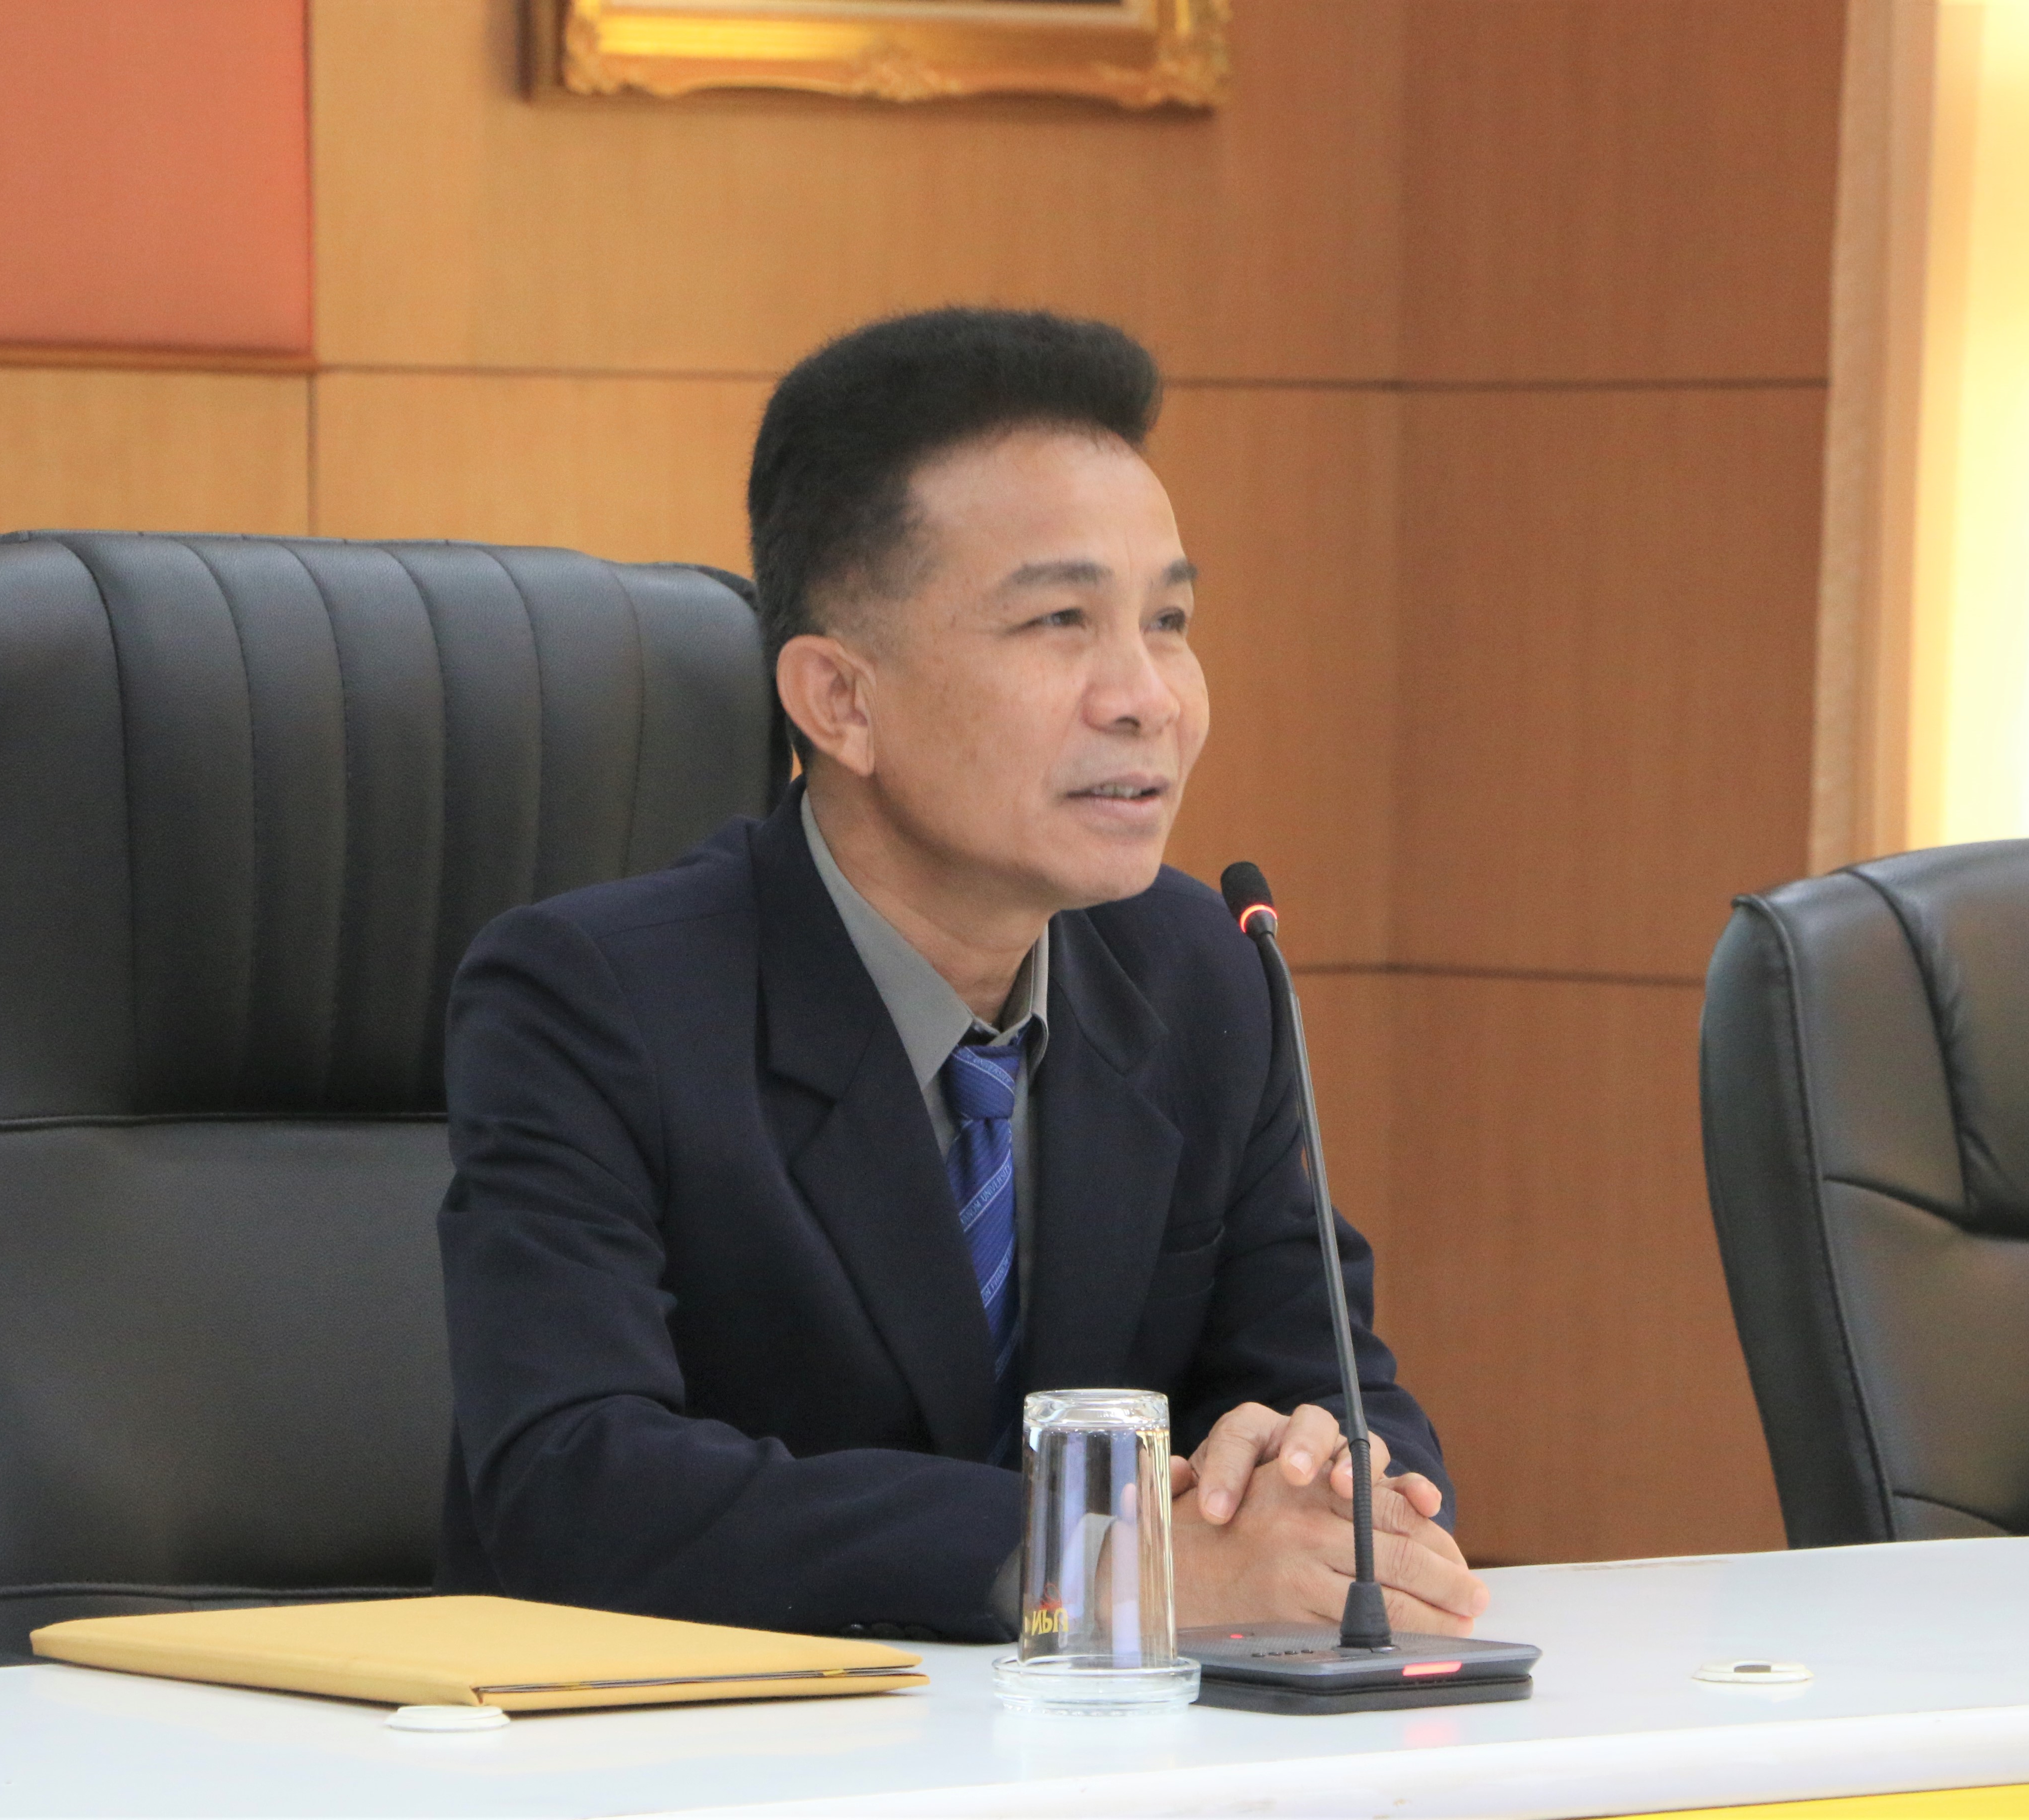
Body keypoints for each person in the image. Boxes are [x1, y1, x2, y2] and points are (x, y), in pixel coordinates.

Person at [437, 307, 1488, 1643]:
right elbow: (573, 1482)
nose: (1149, 697)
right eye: (1060, 621)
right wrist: (1093, 1564)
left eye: (1169, 620)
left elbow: (1338, 1386)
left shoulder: (1202, 977)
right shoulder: (598, 1001)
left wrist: (1323, 1485)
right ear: (841, 700)